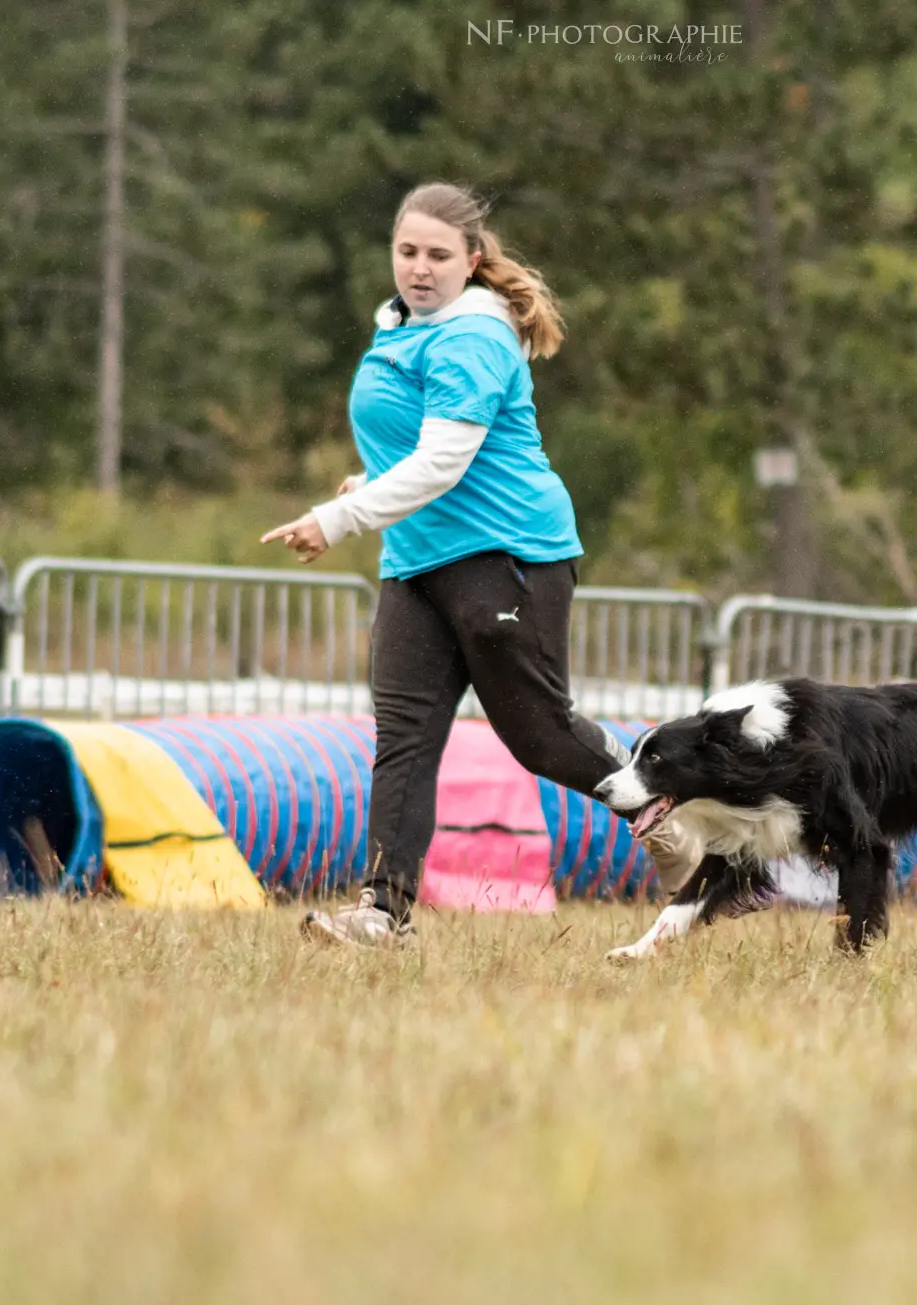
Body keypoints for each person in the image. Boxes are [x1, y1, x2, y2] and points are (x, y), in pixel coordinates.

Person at [262, 181, 699, 945]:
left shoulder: (474, 336)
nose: (419, 268)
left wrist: (339, 517)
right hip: (417, 561)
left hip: (507, 558)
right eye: (406, 252)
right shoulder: (398, 326)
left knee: (539, 737)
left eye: (437, 255)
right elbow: (423, 446)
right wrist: (372, 482)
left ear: (471, 260)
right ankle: (382, 911)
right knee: (403, 738)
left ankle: (664, 808)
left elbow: (445, 462)